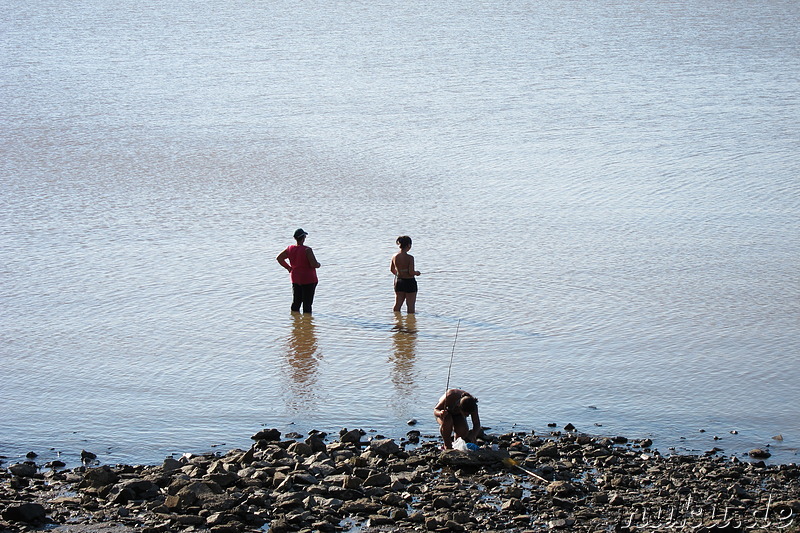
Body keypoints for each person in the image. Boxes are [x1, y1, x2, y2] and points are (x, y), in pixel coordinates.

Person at [277, 228, 321, 314]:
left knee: (296, 302)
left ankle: (295, 321)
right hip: (309, 279)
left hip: (296, 278)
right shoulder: (307, 250)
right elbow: (313, 264)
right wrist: (319, 264)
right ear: (303, 238)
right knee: (307, 304)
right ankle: (307, 323)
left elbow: (279, 258)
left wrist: (288, 268)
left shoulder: (290, 249)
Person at [390, 235, 421, 313]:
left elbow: (392, 270)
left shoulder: (394, 256)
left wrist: (399, 274)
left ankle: (397, 322)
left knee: (397, 305)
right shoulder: (410, 258)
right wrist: (417, 273)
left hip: (399, 281)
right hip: (409, 282)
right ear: (408, 245)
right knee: (410, 306)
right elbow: (411, 272)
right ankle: (410, 323)